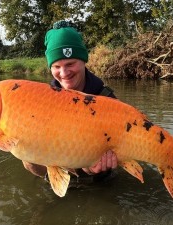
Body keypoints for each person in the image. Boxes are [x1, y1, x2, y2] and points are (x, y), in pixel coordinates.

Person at [23, 20, 118, 185]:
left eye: (70, 64)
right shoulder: (43, 101)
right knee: (26, 155)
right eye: (56, 66)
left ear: (83, 61)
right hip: (59, 172)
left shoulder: (106, 99)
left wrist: (92, 165)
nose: (64, 73)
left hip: (99, 181)